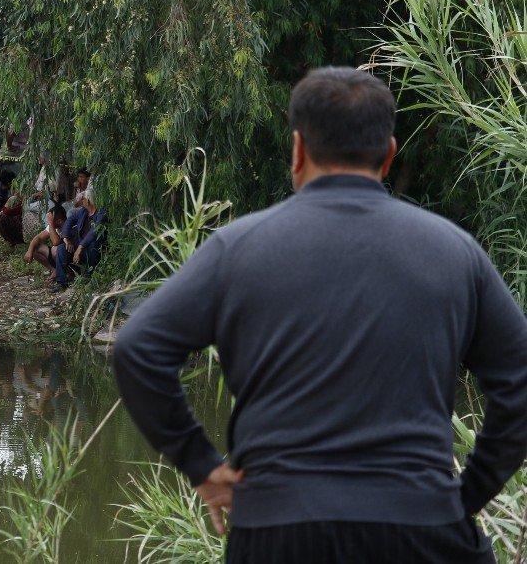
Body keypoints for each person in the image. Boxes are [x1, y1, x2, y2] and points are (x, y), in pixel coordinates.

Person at [113, 67, 527, 563]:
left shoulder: (238, 249)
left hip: (278, 532)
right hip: (422, 527)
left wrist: (200, 463)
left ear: (298, 150)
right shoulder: (456, 254)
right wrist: (466, 496)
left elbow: (138, 349)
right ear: (389, 154)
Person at [52, 188, 105, 290]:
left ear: (88, 201)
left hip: (92, 248)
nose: (82, 201)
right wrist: (66, 238)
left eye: (83, 199)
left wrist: (80, 246)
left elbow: (94, 232)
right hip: (80, 247)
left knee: (93, 245)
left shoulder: (101, 213)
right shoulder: (83, 211)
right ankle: (61, 282)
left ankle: (87, 278)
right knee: (62, 248)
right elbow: (69, 221)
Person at [23, 205, 68, 281]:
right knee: (35, 248)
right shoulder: (53, 225)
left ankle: (68, 273)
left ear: (59, 221)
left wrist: (51, 224)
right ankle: (54, 270)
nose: (49, 221)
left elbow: (56, 242)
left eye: (51, 219)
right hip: (56, 258)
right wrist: (29, 251)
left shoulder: (67, 225)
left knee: (55, 249)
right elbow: (38, 238)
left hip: (67, 257)